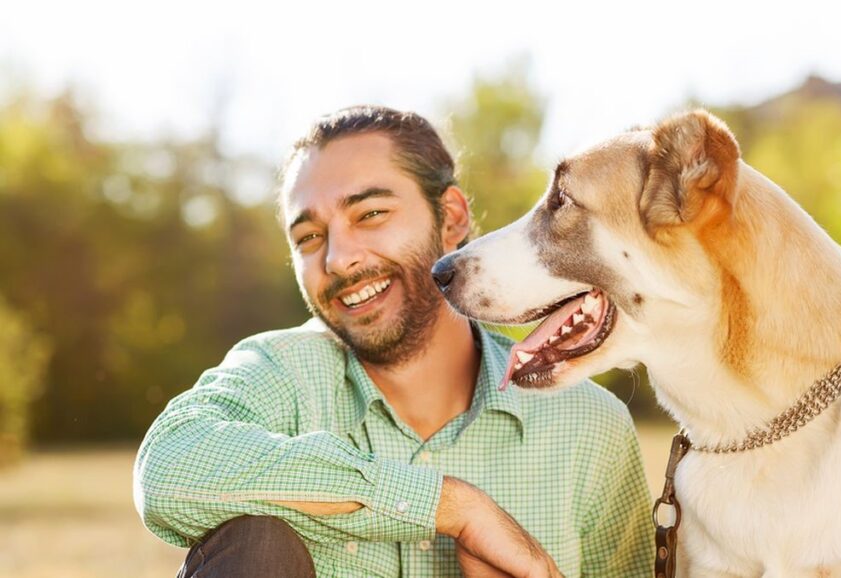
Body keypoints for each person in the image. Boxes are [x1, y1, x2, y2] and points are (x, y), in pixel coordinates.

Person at [133, 105, 653, 577]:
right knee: (258, 543)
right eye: (309, 237)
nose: (338, 258)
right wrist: (451, 507)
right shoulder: (279, 374)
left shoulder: (589, 427)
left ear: (451, 218)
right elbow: (165, 467)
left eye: (371, 214)